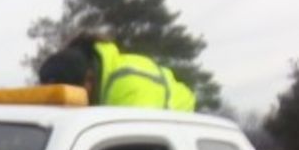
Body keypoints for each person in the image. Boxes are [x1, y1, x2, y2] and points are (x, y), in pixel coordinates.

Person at [38, 36, 198, 112]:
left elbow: (137, 144)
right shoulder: (103, 88)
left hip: (182, 124)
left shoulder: (129, 87)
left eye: (74, 95)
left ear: (88, 79)